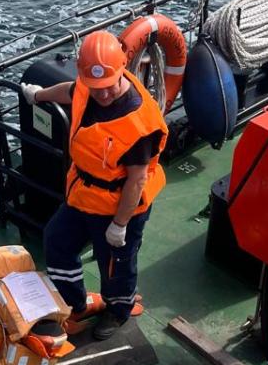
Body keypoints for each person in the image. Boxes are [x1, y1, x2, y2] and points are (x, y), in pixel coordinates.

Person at [22, 30, 168, 340]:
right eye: (95, 87)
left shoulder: (139, 123)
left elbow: (137, 179)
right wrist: (39, 95)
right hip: (85, 193)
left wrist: (120, 225)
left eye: (107, 86)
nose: (101, 94)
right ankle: (74, 303)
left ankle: (118, 310)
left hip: (120, 204)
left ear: (121, 70)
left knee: (115, 265)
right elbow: (71, 92)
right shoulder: (89, 85)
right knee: (57, 241)